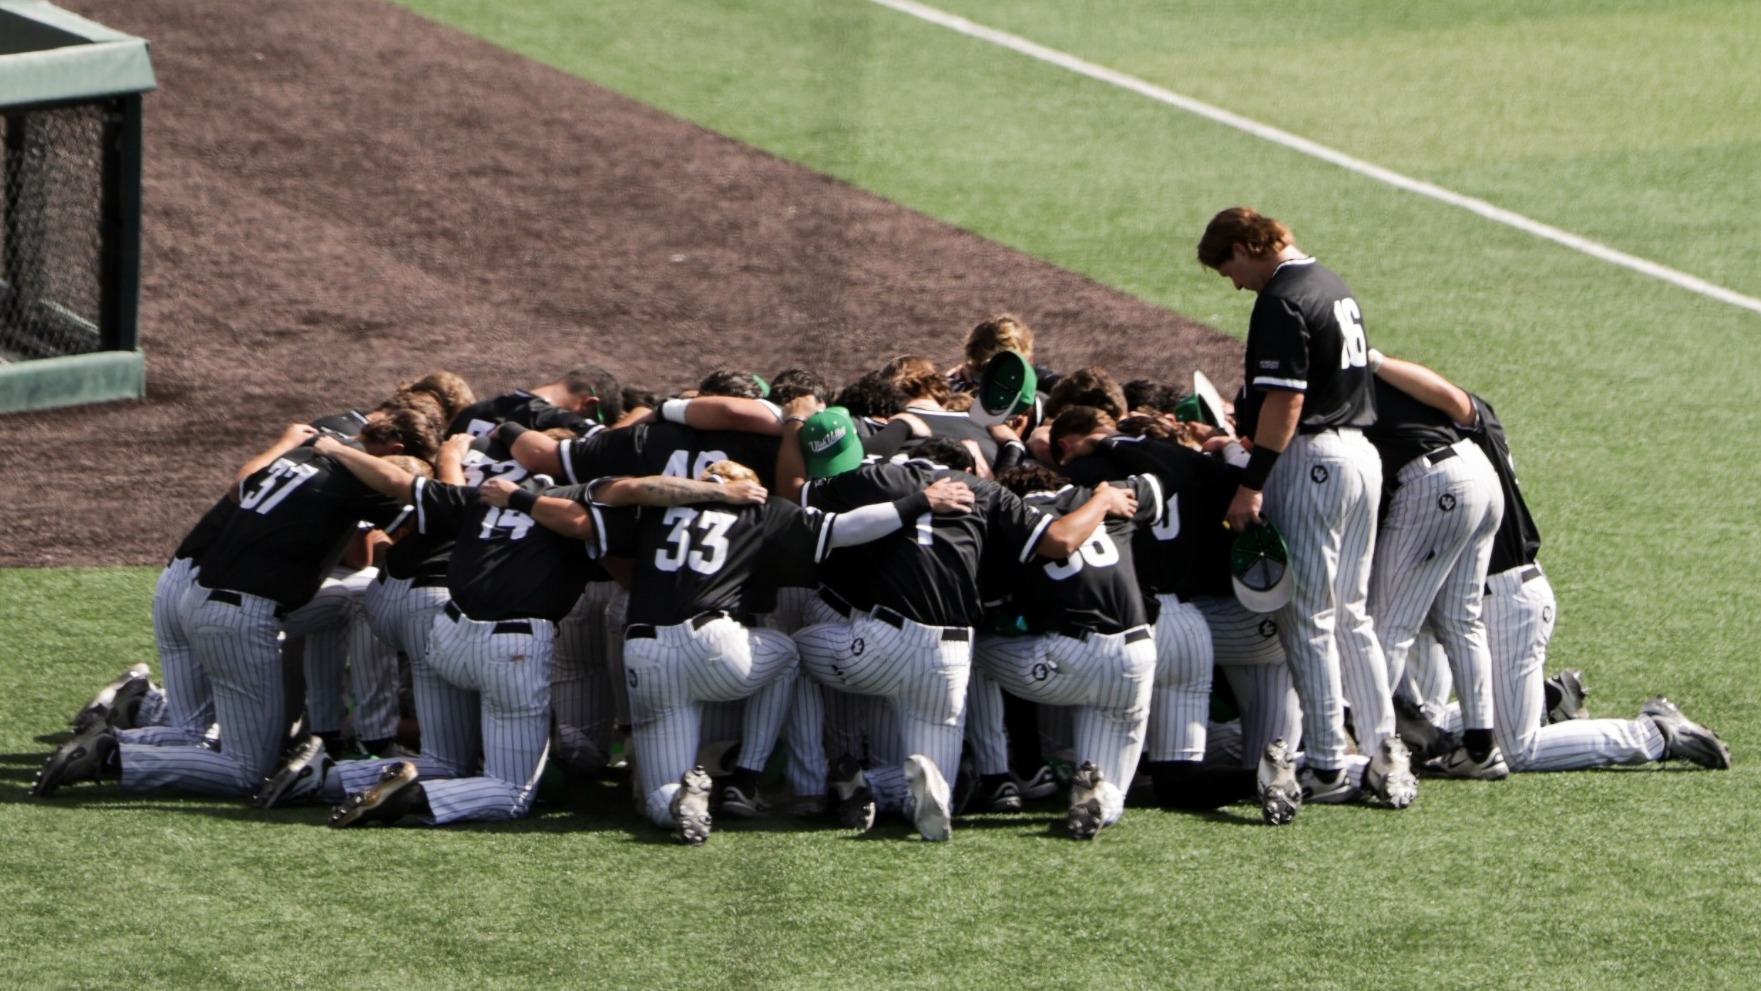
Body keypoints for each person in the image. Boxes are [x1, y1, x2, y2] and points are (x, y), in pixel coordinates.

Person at [597, 458, 974, 844]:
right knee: (789, 653)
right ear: (750, 486)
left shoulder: (654, 506)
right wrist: (920, 501)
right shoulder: (763, 509)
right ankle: (746, 779)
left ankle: (680, 800)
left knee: (661, 794)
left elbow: (598, 519)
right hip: (712, 642)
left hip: (644, 649)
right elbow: (846, 528)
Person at [1195, 205, 1414, 808]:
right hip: (1361, 455)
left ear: (1244, 246)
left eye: (1229, 268)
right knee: (1352, 615)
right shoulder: (1332, 284)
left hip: (1313, 459)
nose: (1235, 283)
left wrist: (1252, 481)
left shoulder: (1282, 297)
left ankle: (1325, 762)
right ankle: (1382, 749)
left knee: (1310, 617)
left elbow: (1285, 403)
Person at [1362, 352, 1506, 777]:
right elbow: (1448, 395)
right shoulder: (1376, 374)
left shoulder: (1333, 384)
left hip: (1435, 483)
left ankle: (1371, 751)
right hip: (1477, 473)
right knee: (1462, 621)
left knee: (1388, 625)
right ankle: (1481, 748)